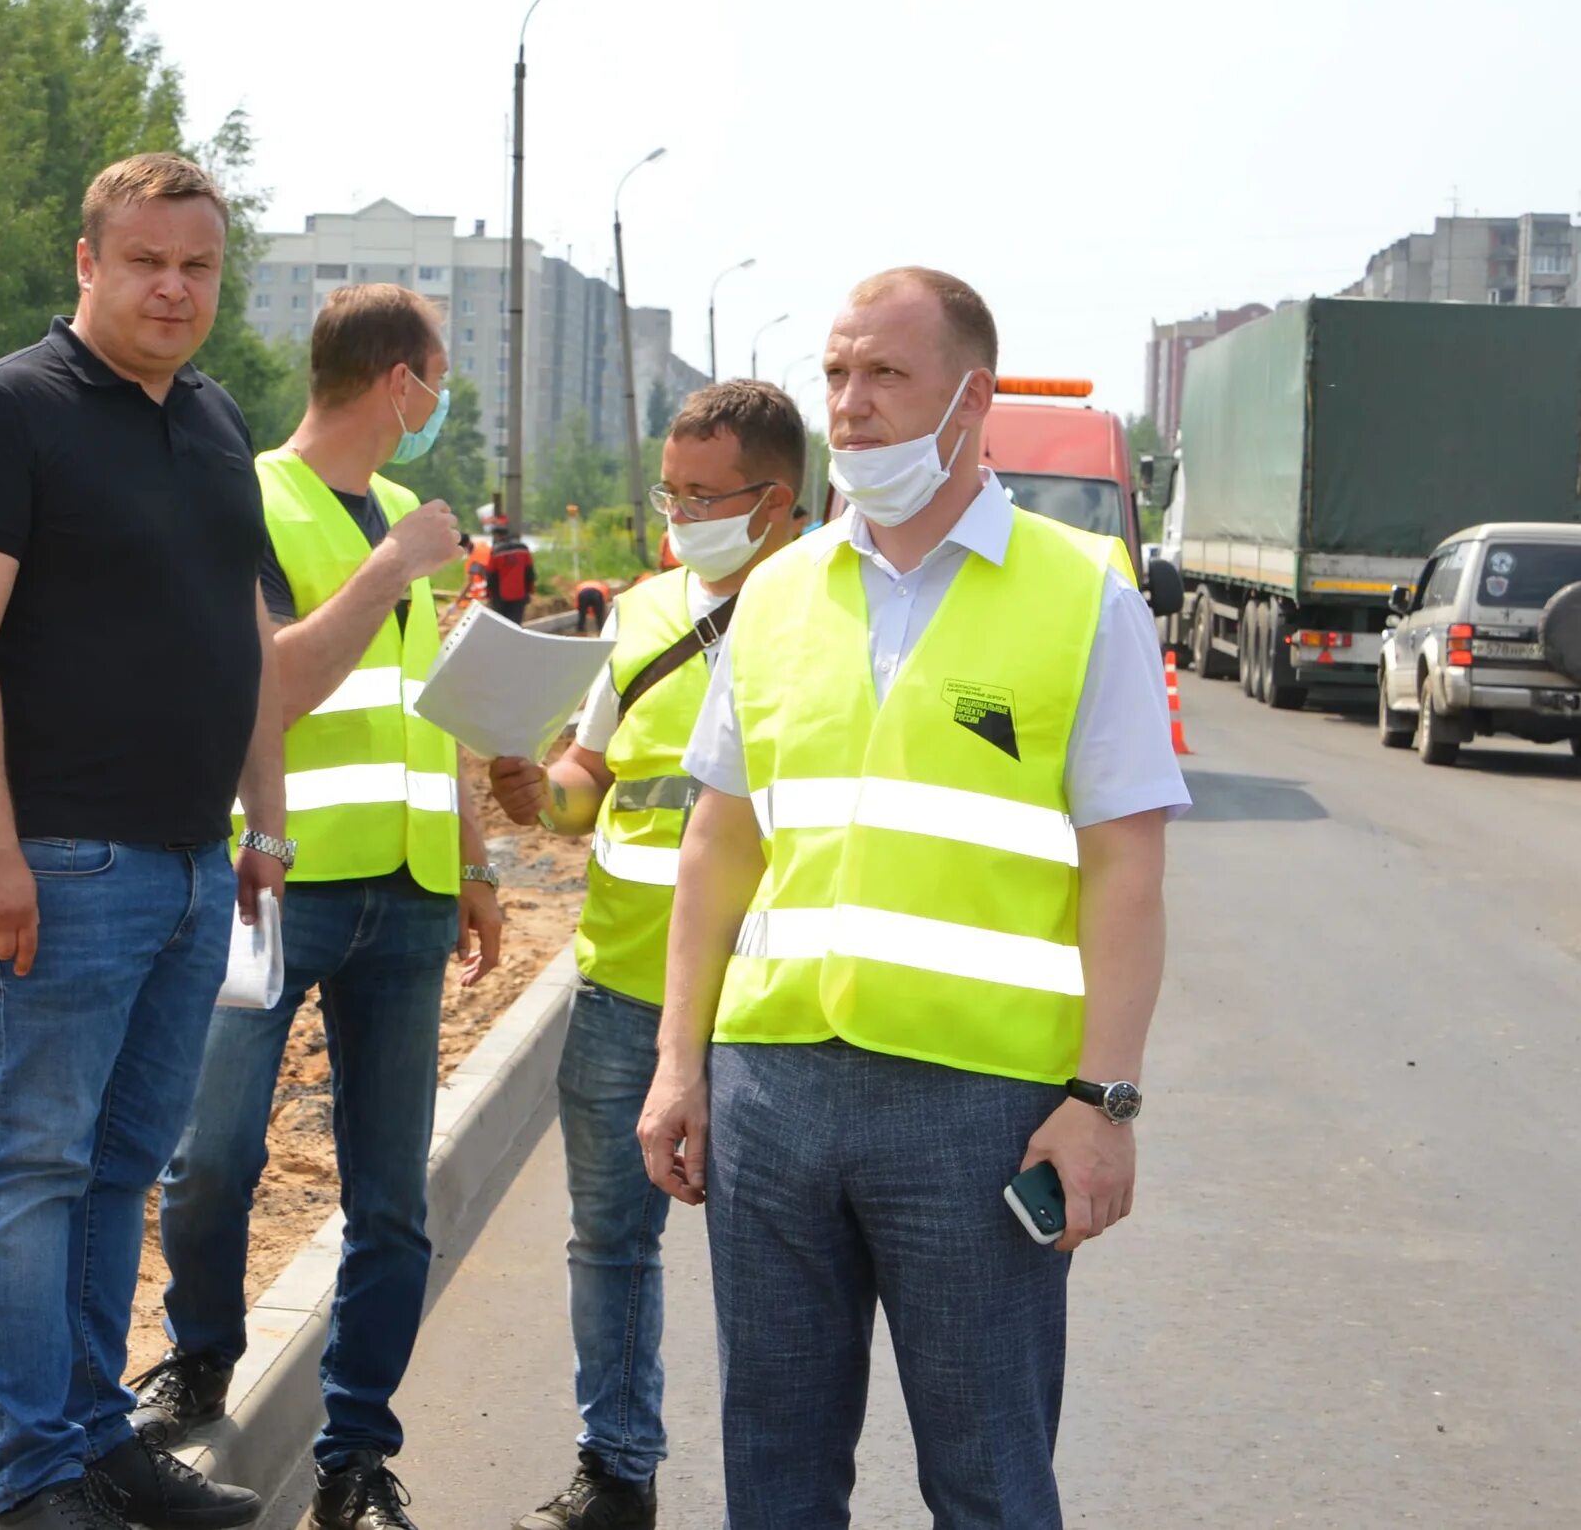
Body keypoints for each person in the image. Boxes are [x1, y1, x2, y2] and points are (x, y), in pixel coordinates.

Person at [638, 268, 1187, 1530]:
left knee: (989, 1481)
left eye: (887, 375)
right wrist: (681, 1064)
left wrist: (1102, 1101)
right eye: (838, 375)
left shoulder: (1079, 593)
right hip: (772, 1094)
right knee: (772, 1478)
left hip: (976, 1114)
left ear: (971, 398)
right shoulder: (774, 595)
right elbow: (720, 844)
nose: (853, 404)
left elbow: (1127, 872)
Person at [0, 153, 289, 1530]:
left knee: (120, 1165)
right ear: (88, 262)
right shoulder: (5, 415)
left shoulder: (215, 418)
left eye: (197, 265)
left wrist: (267, 818)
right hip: (59, 861)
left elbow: (243, 631)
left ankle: (92, 1437)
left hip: (191, 865)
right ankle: (37, 1474)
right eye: (146, 262)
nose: (174, 287)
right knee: (30, 1164)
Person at [140, 284, 506, 1530]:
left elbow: (431, 710)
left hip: (407, 897)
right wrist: (394, 568)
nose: (437, 402)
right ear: (396, 382)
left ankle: (355, 1454)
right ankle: (198, 1353)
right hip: (274, 880)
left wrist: (477, 861)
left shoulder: (403, 509)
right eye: (437, 380)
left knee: (391, 1193)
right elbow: (274, 684)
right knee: (215, 1155)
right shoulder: (252, 496)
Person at [486, 381, 811, 1530]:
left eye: (701, 494)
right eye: (668, 490)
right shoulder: (643, 607)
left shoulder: (833, 609)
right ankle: (617, 1471)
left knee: (776, 1271)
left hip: (774, 999)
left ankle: (778, 1499)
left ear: (775, 502)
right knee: (610, 1241)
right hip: (624, 981)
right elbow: (594, 780)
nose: (678, 513)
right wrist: (541, 796)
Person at [491, 526, 536, 627]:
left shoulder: (496, 551)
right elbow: (530, 572)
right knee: (516, 624)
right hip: (520, 594)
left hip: (501, 596)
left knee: (502, 624)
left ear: (496, 536)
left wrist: (490, 595)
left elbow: (491, 575)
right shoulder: (523, 549)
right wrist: (530, 591)